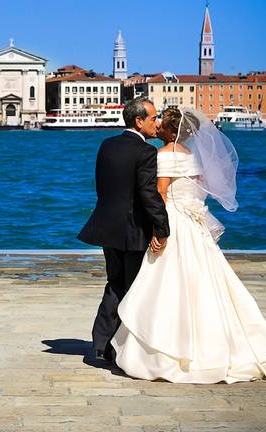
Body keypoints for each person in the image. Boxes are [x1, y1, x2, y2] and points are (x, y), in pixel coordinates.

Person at [111, 106, 266, 383]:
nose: (155, 126)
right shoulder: (194, 157)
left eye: (160, 123)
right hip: (195, 223)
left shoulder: (162, 156)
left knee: (167, 284)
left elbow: (159, 193)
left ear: (171, 130)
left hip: (173, 221)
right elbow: (197, 191)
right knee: (206, 281)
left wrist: (158, 229)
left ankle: (166, 351)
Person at [78, 97, 170, 363]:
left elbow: (102, 187)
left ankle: (102, 343)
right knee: (132, 287)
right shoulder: (146, 152)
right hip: (133, 230)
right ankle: (123, 348)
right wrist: (162, 229)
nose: (157, 123)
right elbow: (148, 195)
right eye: (153, 118)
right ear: (139, 121)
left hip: (108, 226)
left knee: (116, 283)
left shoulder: (107, 145)